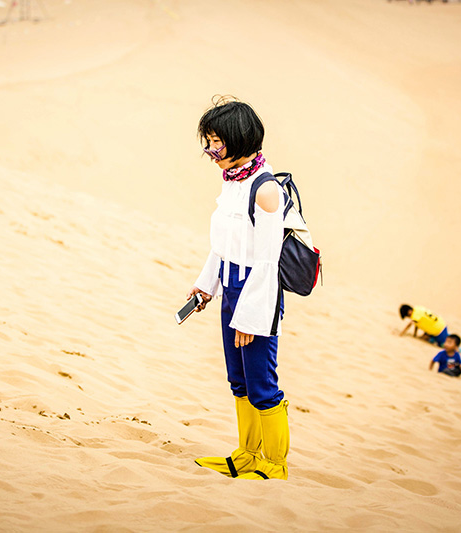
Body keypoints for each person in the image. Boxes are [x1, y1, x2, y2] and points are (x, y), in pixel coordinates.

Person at [187, 96, 290, 480]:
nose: (211, 152)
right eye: (208, 142)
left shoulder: (264, 191)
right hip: (229, 289)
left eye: (218, 143)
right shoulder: (232, 183)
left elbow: (265, 263)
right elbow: (225, 246)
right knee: (239, 380)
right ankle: (247, 454)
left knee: (262, 384)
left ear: (241, 140)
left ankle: (274, 465)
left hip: (256, 298)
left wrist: (250, 318)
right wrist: (205, 287)